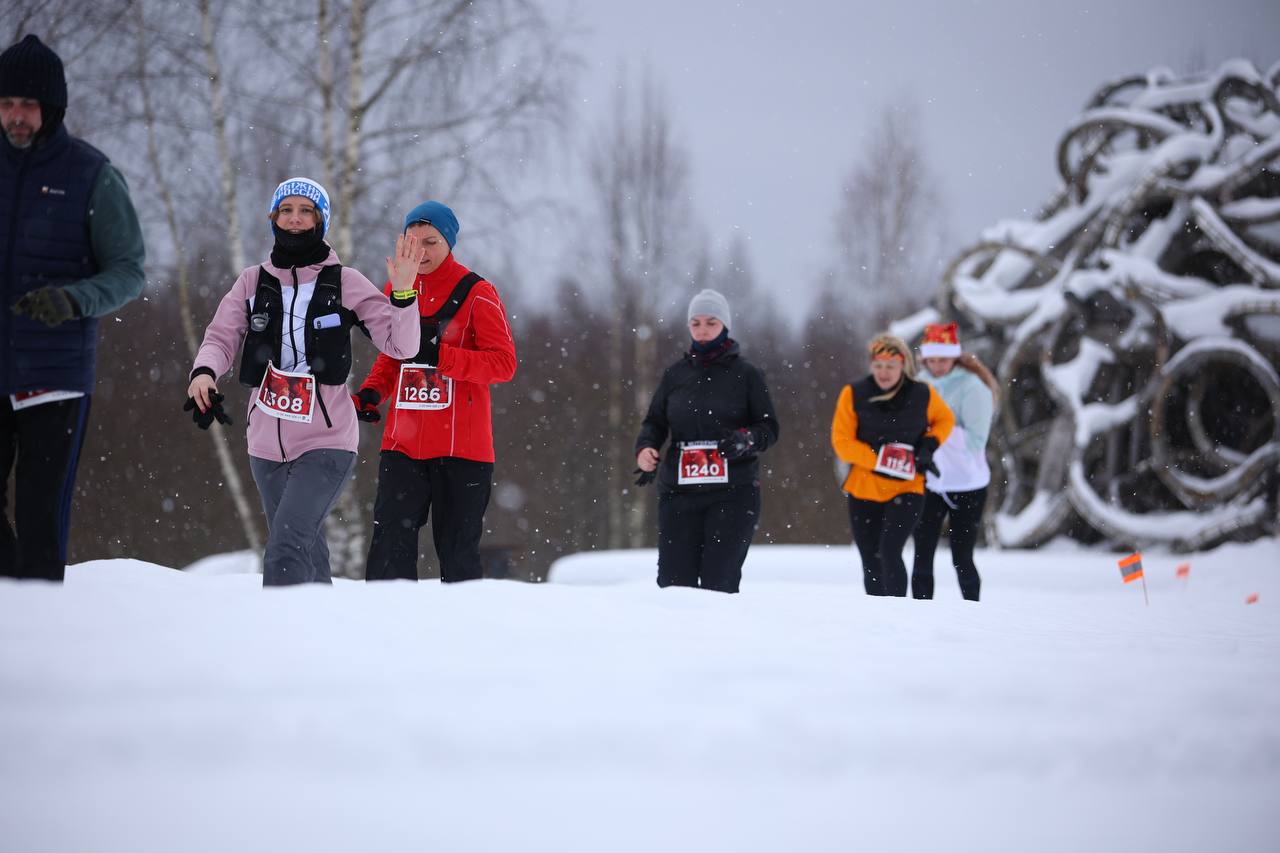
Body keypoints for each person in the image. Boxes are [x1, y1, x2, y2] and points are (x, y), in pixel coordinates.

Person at [185, 177, 421, 586]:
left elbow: (401, 347)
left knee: (285, 547)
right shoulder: (252, 282)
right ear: (274, 219)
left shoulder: (344, 281)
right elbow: (221, 335)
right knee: (306, 551)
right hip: (264, 444)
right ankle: (320, 636)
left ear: (320, 220)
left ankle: (279, 641)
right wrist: (204, 372)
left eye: (306, 211)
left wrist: (403, 295)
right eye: (286, 210)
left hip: (326, 441)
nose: (295, 219)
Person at [1, 35, 145, 582]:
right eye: (7, 103)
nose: (17, 116)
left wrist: (73, 299)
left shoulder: (91, 175)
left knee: (41, 519)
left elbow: (129, 270)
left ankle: (41, 622)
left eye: (29, 105)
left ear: (52, 108)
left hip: (53, 376)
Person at [354, 200, 517, 583]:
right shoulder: (397, 288)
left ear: (449, 243)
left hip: (463, 449)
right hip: (403, 445)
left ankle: (461, 635)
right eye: (413, 243)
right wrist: (371, 393)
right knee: (389, 546)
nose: (421, 252)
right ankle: (384, 631)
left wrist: (440, 355)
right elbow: (392, 357)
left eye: (431, 242)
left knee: (458, 555)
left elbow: (503, 364)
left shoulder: (478, 292)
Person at [634, 289, 779, 593]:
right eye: (696, 323)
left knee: (719, 585)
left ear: (725, 326)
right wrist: (646, 448)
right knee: (674, 586)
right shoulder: (675, 374)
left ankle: (719, 641)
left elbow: (769, 428)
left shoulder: (747, 375)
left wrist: (746, 439)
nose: (702, 330)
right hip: (679, 493)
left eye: (711, 323)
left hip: (733, 493)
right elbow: (655, 422)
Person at [831, 333, 954, 597]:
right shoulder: (853, 394)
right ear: (871, 366)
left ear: (903, 366)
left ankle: (899, 612)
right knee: (870, 558)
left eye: (890, 366)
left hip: (907, 488)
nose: (883, 373)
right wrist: (880, 460)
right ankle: (878, 618)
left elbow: (946, 420)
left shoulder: (922, 394)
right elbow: (841, 442)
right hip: (864, 488)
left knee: (889, 550)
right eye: (878, 366)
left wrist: (929, 445)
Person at [910, 322, 998, 601]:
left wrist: (933, 436)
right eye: (931, 359)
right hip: (930, 482)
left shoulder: (973, 388)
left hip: (968, 483)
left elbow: (975, 441)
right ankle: (920, 613)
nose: (936, 365)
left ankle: (972, 611)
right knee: (922, 554)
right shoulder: (918, 386)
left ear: (955, 357)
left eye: (943, 359)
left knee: (962, 556)